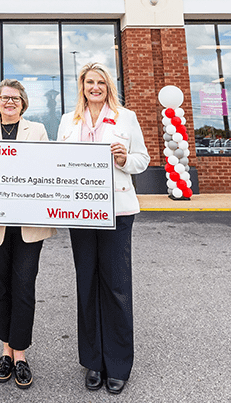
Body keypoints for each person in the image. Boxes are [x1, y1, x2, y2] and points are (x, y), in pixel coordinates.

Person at [57, 63, 149, 395]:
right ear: (81, 86)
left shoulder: (126, 117)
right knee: (87, 285)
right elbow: (57, 165)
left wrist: (125, 159)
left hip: (117, 212)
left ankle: (119, 364)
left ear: (108, 85)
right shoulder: (69, 120)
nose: (95, 87)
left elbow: (143, 159)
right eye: (89, 82)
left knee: (116, 287)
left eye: (100, 82)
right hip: (80, 214)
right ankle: (93, 362)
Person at [0, 79, 56, 390]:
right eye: (4, 98)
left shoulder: (38, 132)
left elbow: (49, 171)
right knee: (0, 287)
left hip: (29, 225)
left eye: (15, 98)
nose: (9, 103)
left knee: (24, 285)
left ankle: (20, 354)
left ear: (23, 104)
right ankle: (5, 349)